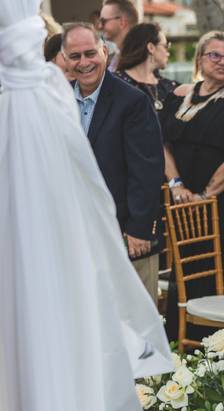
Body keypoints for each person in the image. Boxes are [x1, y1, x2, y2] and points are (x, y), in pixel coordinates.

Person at [162, 31, 224, 339]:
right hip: (183, 203)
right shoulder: (178, 93)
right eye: (214, 55)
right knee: (189, 277)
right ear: (199, 59)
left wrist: (205, 195)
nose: (222, 62)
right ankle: (187, 354)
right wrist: (176, 184)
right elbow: (161, 142)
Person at [63, 22, 164, 303]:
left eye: (90, 53)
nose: (84, 62)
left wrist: (139, 230)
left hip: (125, 233)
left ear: (104, 52)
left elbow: (147, 169)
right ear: (65, 60)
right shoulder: (58, 101)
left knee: (134, 324)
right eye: (75, 56)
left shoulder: (132, 102)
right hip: (74, 233)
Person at [115, 23, 177, 112]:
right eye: (165, 46)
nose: (168, 52)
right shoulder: (116, 82)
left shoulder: (169, 86)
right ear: (151, 48)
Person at [98, 0, 138, 72]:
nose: (99, 26)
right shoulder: (119, 56)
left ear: (122, 23)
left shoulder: (137, 60)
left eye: (103, 21)